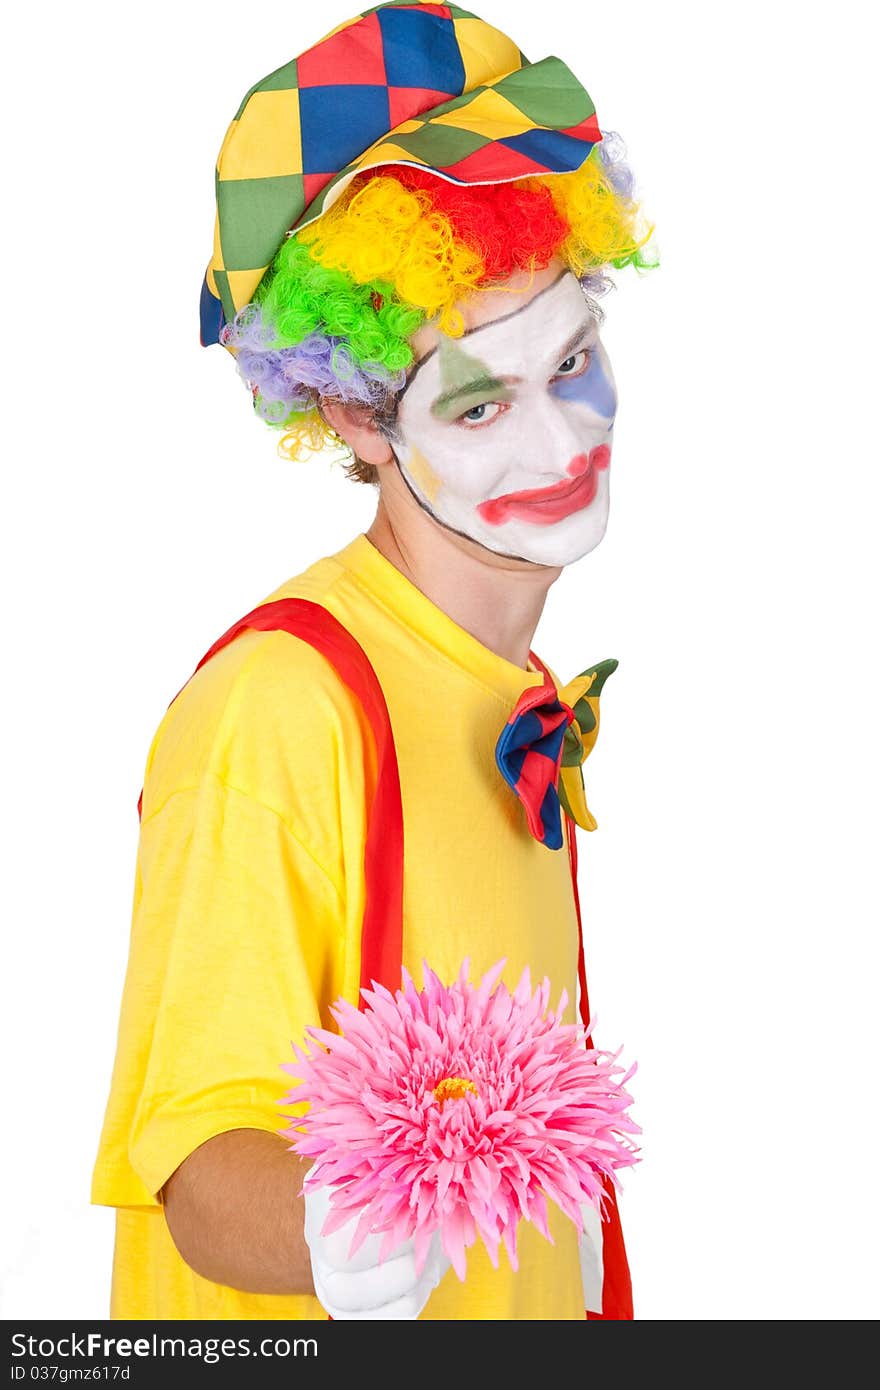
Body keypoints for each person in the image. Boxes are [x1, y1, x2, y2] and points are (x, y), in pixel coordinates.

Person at [90, 0, 656, 1320]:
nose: (560, 436)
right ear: (356, 413)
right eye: (477, 398)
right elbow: (195, 1160)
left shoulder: (513, 688)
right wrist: (355, 1227)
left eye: (571, 358)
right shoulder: (278, 706)